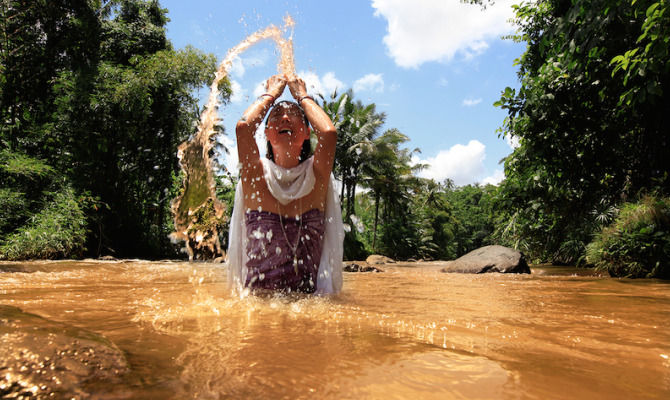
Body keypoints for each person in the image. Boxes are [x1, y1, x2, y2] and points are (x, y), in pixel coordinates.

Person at [226, 74, 344, 295]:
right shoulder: (256, 176)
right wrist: (271, 95)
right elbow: (243, 128)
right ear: (267, 133)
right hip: (258, 306)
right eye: (278, 116)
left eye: (294, 116)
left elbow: (328, 133)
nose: (286, 119)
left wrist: (302, 96)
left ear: (307, 133)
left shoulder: (317, 176)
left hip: (308, 306)